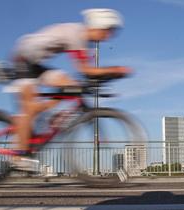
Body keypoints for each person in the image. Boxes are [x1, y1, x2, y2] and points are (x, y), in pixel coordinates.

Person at [9, 8, 130, 171]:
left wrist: (104, 76)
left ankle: (46, 119)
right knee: (29, 108)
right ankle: (17, 156)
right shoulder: (77, 35)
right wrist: (115, 70)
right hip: (23, 59)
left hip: (36, 64)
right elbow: (86, 70)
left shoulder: (83, 40)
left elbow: (87, 73)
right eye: (107, 31)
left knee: (72, 86)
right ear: (97, 26)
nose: (108, 36)